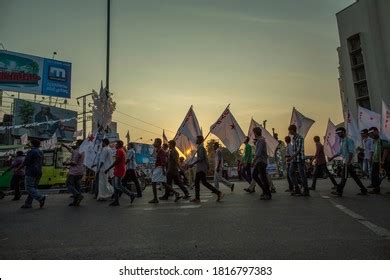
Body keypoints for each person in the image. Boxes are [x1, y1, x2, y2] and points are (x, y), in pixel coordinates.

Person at [329, 127, 368, 197]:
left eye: (339, 133)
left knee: (344, 177)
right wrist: (332, 157)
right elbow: (340, 152)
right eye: (337, 133)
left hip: (348, 163)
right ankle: (364, 190)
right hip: (346, 162)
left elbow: (351, 152)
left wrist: (348, 162)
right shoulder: (342, 141)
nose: (338, 134)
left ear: (344, 132)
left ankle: (339, 191)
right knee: (354, 177)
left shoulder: (349, 141)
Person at [189, 136, 224, 203]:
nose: (196, 140)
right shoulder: (200, 148)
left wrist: (193, 164)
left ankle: (218, 193)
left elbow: (201, 158)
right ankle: (198, 198)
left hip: (201, 169)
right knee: (201, 182)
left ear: (199, 140)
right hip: (201, 168)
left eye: (197, 139)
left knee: (201, 182)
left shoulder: (201, 148)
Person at [149, 138, 182, 204]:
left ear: (158, 143)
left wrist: (163, 169)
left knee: (153, 182)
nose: (154, 143)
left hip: (159, 168)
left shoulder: (161, 151)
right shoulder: (158, 150)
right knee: (164, 183)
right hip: (159, 168)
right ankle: (176, 193)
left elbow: (163, 161)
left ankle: (155, 199)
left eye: (155, 142)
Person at [105, 140, 136, 206]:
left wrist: (108, 168)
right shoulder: (121, 150)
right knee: (116, 186)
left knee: (118, 185)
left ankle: (131, 194)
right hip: (119, 169)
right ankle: (116, 201)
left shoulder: (119, 151)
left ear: (119, 145)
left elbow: (117, 161)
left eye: (116, 144)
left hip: (119, 170)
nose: (115, 145)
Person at [19, 139, 46, 209]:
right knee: (33, 188)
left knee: (29, 188)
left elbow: (26, 162)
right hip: (39, 171)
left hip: (31, 171)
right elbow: (43, 162)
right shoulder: (41, 152)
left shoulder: (31, 152)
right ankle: (28, 203)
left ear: (32, 144)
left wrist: (18, 168)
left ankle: (40, 198)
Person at [288, 124, 310, 197]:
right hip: (294, 159)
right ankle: (297, 188)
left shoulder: (300, 138)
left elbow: (299, 150)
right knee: (290, 173)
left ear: (293, 130)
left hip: (300, 159)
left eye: (290, 131)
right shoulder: (293, 138)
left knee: (302, 174)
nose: (289, 132)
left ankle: (306, 190)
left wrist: (291, 157)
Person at [62, 140, 85, 206]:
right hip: (80, 171)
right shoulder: (82, 151)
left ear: (78, 144)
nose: (75, 144)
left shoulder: (76, 152)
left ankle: (78, 195)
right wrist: (66, 146)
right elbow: (72, 151)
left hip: (74, 172)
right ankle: (76, 201)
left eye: (76, 143)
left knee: (69, 185)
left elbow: (74, 163)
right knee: (77, 186)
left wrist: (66, 163)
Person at [251, 127, 272, 200]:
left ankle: (268, 194)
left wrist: (253, 161)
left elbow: (258, 153)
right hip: (259, 161)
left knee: (263, 178)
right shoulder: (259, 141)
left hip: (261, 161)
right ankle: (265, 190)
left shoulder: (261, 141)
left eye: (254, 133)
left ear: (256, 133)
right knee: (254, 175)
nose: (254, 135)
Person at [368, 127, 390, 194]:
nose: (371, 135)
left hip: (385, 160)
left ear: (376, 131)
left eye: (372, 133)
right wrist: (371, 158)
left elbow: (386, 149)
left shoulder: (382, 138)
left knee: (389, 174)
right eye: (370, 134)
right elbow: (375, 150)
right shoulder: (374, 140)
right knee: (374, 174)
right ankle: (376, 189)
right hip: (376, 160)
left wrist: (383, 160)